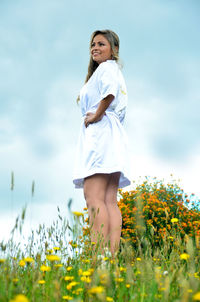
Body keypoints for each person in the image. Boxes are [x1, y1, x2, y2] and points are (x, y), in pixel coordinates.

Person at [73, 29, 131, 257]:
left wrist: (97, 115)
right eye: (93, 44)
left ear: (114, 50)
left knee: (93, 196)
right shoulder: (112, 71)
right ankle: (110, 257)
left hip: (101, 133)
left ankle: (99, 257)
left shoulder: (107, 68)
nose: (95, 48)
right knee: (109, 199)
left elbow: (109, 94)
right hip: (113, 135)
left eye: (101, 44)